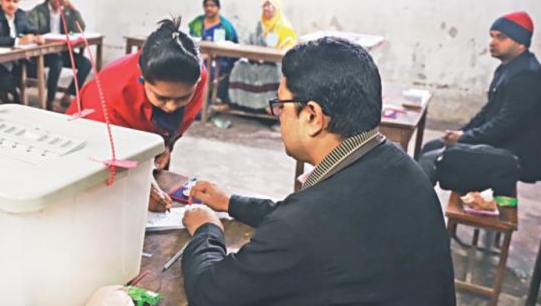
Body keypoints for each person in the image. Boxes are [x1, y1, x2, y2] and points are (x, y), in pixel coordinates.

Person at [181, 37, 455, 305]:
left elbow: (211, 295)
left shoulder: (303, 223)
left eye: (281, 105)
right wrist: (231, 203)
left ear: (312, 117)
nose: (280, 116)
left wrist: (207, 230)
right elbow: (317, 222)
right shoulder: (401, 165)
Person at [65, 17, 208, 212]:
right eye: (162, 98)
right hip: (91, 147)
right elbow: (94, 155)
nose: (171, 107)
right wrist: (135, 187)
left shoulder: (198, 77)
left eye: (183, 98)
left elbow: (182, 118)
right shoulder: (108, 96)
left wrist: (165, 145)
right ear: (143, 77)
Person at [418, 11, 541, 193]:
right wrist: (462, 132)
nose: (492, 42)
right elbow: (489, 111)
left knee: (432, 159)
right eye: (492, 37)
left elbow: (503, 125)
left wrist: (463, 139)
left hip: (516, 156)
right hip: (504, 143)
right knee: (432, 146)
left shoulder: (527, 76)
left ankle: (413, 209)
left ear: (521, 43)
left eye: (501, 37)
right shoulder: (508, 69)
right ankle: (414, 202)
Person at [228, 0, 297, 113]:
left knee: (273, 73)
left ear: (277, 9)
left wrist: (269, 57)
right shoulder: (259, 25)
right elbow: (249, 41)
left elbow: (288, 49)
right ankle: (240, 104)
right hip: (255, 61)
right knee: (239, 67)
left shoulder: (284, 27)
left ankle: (270, 107)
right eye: (265, 5)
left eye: (271, 6)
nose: (267, 8)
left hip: (275, 63)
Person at [27, 0, 91, 110]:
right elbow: (30, 29)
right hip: (44, 52)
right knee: (57, 63)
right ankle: (50, 101)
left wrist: (73, 10)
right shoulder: (38, 11)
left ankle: (69, 95)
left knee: (86, 64)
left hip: (61, 50)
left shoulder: (66, 12)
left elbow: (80, 28)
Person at [188, 0, 239, 108]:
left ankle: (202, 106)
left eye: (212, 6)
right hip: (197, 57)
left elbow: (234, 45)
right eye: (206, 6)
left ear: (218, 8)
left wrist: (214, 54)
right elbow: (189, 41)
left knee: (206, 71)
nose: (209, 8)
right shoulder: (197, 23)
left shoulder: (225, 26)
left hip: (220, 60)